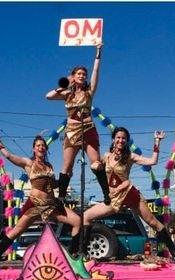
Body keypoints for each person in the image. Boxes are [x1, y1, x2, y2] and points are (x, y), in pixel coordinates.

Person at [84, 126, 175, 260]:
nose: (121, 140)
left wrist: (157, 142)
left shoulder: (130, 156)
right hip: (113, 198)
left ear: (127, 141)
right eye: (118, 137)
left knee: (152, 221)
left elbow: (153, 161)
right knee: (86, 216)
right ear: (113, 139)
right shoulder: (106, 156)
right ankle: (83, 255)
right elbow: (96, 167)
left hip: (129, 194)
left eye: (124, 138)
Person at [0, 132, 81, 263]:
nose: (41, 147)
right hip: (35, 205)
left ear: (46, 149)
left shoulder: (49, 167)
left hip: (51, 205)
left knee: (77, 221)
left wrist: (65, 178)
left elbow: (53, 184)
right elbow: (8, 156)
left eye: (43, 145)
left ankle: (73, 255)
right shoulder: (28, 163)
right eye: (38, 145)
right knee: (16, 231)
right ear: (34, 148)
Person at [46, 43, 110, 205]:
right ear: (73, 76)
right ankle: (61, 196)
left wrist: (98, 53)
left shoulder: (89, 92)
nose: (82, 76)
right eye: (79, 73)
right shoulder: (67, 93)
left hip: (88, 128)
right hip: (71, 131)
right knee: (66, 167)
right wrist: (64, 84)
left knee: (96, 164)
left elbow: (96, 72)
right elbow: (48, 96)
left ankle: (106, 193)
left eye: (84, 74)